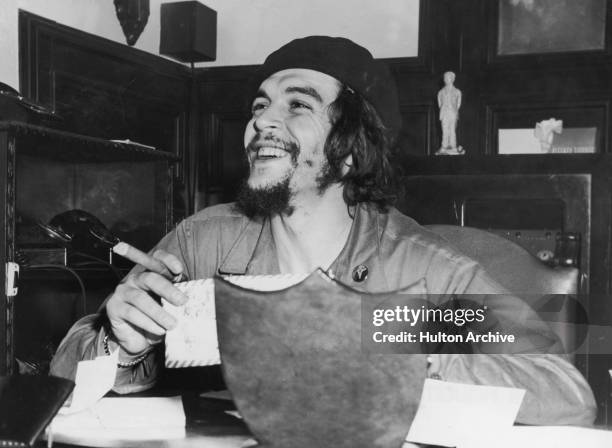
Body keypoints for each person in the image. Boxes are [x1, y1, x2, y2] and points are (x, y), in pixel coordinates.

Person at [50, 36, 596, 425]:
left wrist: (418, 349)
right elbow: (62, 371)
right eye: (260, 106)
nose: (262, 120)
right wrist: (121, 344)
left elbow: (567, 391)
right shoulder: (205, 242)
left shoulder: (429, 270)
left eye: (298, 106)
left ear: (353, 149)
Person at [436, 71, 464, 154]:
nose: (445, 79)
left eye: (447, 77)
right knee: (444, 130)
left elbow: (458, 104)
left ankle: (453, 146)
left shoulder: (457, 91)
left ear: (452, 79)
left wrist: (454, 110)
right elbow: (439, 104)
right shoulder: (440, 92)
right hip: (444, 113)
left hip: (453, 113)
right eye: (444, 78)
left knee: (452, 130)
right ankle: (444, 146)